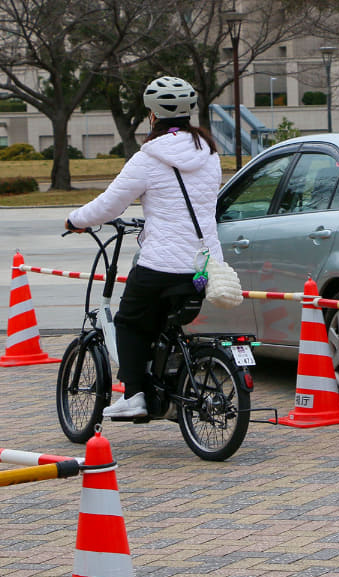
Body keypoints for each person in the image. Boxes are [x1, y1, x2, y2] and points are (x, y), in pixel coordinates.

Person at [64, 76, 223, 419]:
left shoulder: (148, 157)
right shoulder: (210, 153)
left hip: (161, 265)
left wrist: (75, 220)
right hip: (203, 265)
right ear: (189, 112)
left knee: (130, 322)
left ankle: (135, 395)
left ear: (153, 115)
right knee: (167, 324)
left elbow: (110, 205)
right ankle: (169, 384)